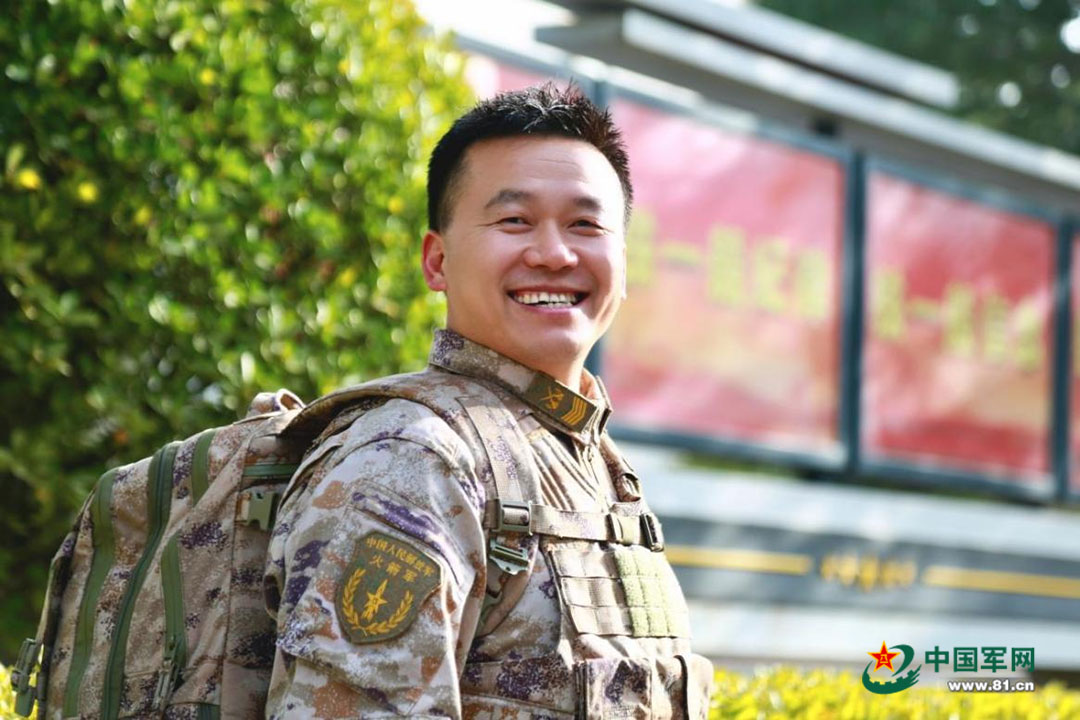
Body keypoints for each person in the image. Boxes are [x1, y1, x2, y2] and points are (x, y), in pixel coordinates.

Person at [264, 83, 715, 719]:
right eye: (514, 221)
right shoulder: (415, 458)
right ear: (437, 261)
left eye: (585, 224)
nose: (555, 254)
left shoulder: (589, 458)